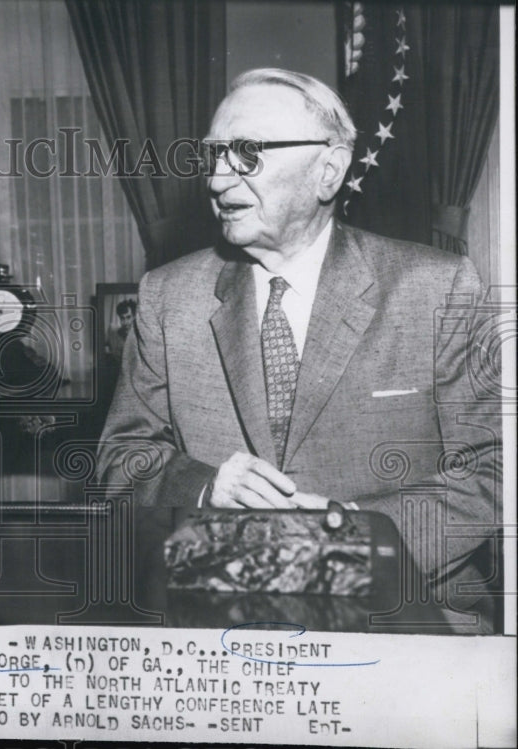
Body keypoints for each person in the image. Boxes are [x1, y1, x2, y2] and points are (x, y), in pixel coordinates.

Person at [96, 68, 499, 608]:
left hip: (405, 616)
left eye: (246, 153)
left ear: (328, 171)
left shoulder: (437, 287)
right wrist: (202, 486)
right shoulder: (168, 296)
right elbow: (119, 463)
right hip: (224, 620)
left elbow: (494, 470)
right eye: (212, 155)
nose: (218, 179)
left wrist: (353, 536)